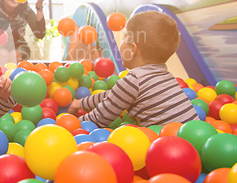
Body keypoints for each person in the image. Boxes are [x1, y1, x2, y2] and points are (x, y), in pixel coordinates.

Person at [68, 11, 199, 127]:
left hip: (170, 146)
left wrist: (69, 124)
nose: (121, 43)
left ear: (132, 48)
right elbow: (114, 95)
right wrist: (80, 103)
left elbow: (98, 118)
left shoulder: (134, 81)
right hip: (195, 138)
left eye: (124, 38)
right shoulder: (165, 76)